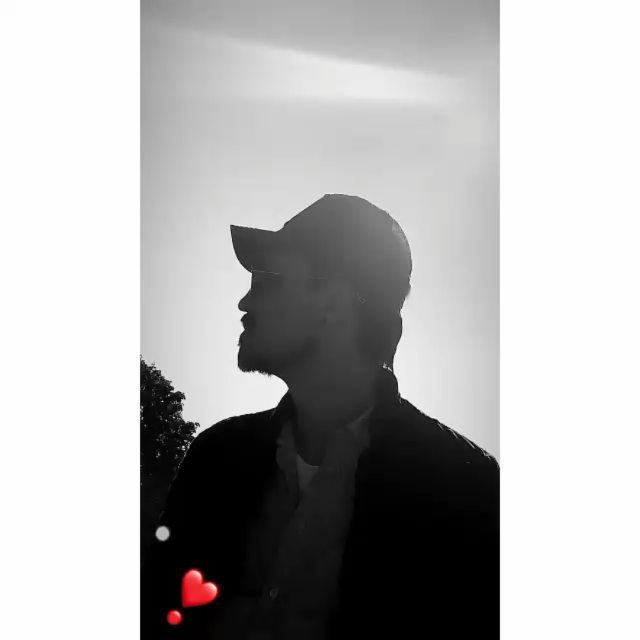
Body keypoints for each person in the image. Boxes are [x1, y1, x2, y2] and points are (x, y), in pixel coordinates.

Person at [141, 194, 499, 639]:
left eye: (266, 281)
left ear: (334, 300)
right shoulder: (215, 458)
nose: (244, 302)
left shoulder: (466, 488)